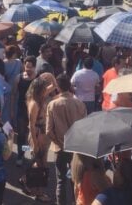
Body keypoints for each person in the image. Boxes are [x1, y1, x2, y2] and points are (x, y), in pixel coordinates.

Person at [46, 75, 87, 205]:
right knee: (76, 179)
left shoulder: (52, 104)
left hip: (59, 148)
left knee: (60, 180)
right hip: (76, 147)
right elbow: (85, 127)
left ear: (57, 87)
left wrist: (59, 142)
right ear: (69, 86)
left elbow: (48, 131)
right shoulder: (79, 103)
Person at [23, 76, 56, 202]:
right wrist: (35, 143)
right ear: (39, 89)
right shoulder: (34, 103)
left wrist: (49, 75)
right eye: (43, 87)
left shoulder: (38, 97)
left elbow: (54, 85)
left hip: (42, 134)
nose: (46, 90)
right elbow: (31, 125)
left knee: (41, 163)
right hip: (37, 134)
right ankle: (38, 192)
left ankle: (30, 183)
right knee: (40, 164)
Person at [10, 56, 37, 166]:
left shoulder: (38, 79)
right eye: (26, 67)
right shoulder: (18, 78)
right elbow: (13, 95)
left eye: (30, 67)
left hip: (34, 111)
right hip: (21, 110)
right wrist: (11, 110)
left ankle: (32, 152)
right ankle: (21, 155)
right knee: (21, 135)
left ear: (34, 67)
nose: (28, 69)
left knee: (32, 134)